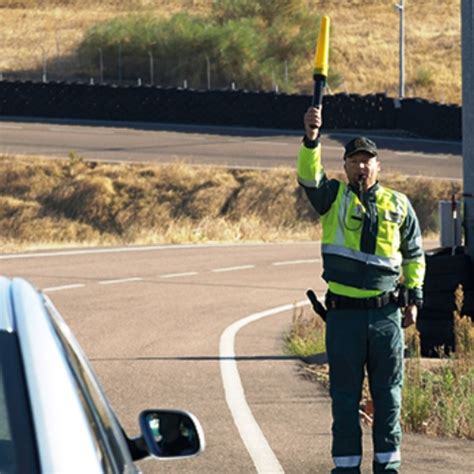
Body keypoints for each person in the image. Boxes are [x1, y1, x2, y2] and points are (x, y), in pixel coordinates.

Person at [297, 106, 425, 474]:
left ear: (378, 166)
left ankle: (388, 468)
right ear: (346, 167)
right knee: (343, 400)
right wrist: (311, 138)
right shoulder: (332, 198)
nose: (362, 167)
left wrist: (414, 298)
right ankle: (346, 468)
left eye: (368, 160)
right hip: (344, 317)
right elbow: (308, 176)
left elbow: (415, 255)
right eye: (355, 160)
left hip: (386, 317)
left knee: (388, 400)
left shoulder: (399, 204)